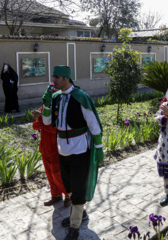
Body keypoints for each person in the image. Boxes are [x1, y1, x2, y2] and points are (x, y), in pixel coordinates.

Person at [42, 65, 104, 240]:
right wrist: (47, 104)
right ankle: (79, 212)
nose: (54, 80)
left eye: (57, 77)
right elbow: (47, 122)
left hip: (79, 149)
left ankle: (74, 224)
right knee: (68, 185)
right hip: (63, 148)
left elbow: (93, 124)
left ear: (66, 79)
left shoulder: (80, 97)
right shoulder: (55, 97)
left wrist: (99, 148)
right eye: (53, 77)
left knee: (77, 186)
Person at [32, 106, 71, 208]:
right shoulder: (44, 108)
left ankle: (68, 195)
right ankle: (56, 195)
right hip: (45, 148)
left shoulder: (60, 107)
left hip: (56, 149)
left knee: (57, 174)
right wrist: (38, 117)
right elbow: (35, 127)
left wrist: (42, 120)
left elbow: (56, 129)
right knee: (49, 174)